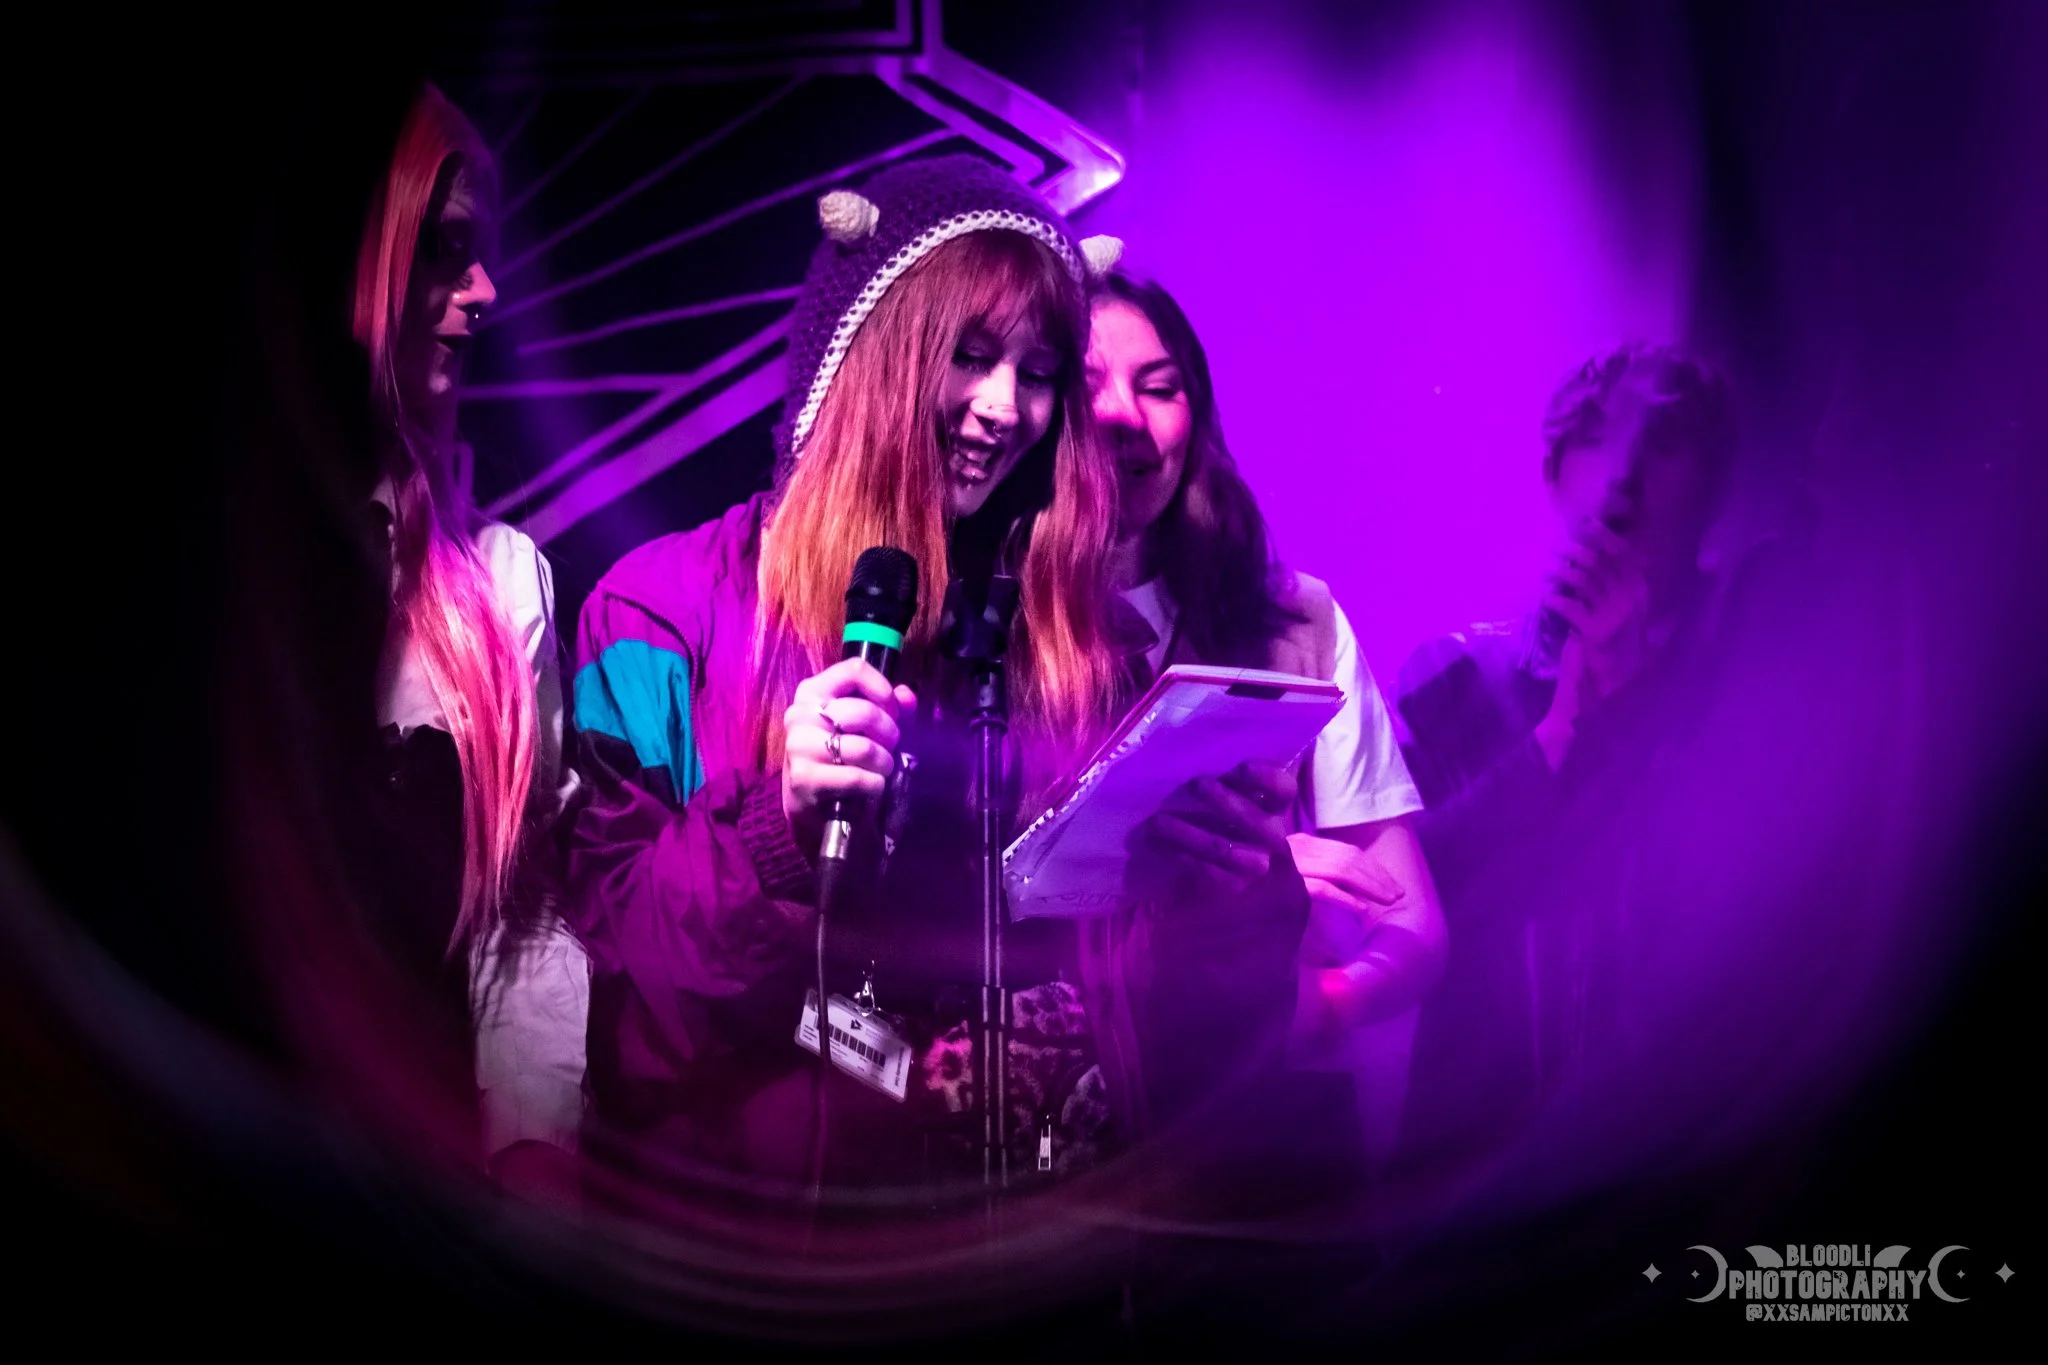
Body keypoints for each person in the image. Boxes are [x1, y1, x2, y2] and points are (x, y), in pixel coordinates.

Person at [564, 154, 1340, 1281]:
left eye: (1037, 372)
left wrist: (1228, 903)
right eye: (969, 355)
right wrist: (773, 835)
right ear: (869, 355)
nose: (1004, 408)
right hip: (782, 1277)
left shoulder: (1076, 641)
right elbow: (625, 1012)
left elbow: (1185, 1044)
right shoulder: (657, 615)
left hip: (1050, 1275)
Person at [1084, 270, 1446, 1174]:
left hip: (1262, 1149)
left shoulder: (1294, 620)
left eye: (1159, 386)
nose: (1125, 414)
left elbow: (1414, 927)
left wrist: (1315, 1005)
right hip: (1075, 1148)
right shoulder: (988, 626)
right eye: (1088, 384)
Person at [1390, 342, 1743, 1174]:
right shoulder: (1459, 675)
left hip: (1682, 1137)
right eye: (1599, 433)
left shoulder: (1751, 666)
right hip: (1476, 1147)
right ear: (1555, 475)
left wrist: (1634, 696)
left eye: (1661, 436)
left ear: (1710, 484)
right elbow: (1410, 887)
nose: (1625, 470)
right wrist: (1558, 735)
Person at [351, 84, 588, 1201]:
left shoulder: (500, 581)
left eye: (482, 251)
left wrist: (533, 1144)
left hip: (424, 1175)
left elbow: (520, 911)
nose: (487, 290)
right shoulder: (232, 553)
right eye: (448, 249)